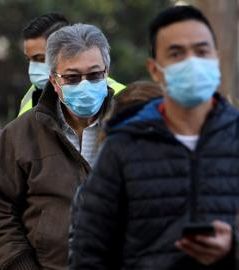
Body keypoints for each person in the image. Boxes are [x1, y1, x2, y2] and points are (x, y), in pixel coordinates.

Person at [69, 5, 239, 269]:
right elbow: (89, 250)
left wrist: (233, 247)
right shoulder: (122, 146)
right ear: (156, 69)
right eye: (176, 53)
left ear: (216, 58)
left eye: (201, 51)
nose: (191, 62)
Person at [0, 23, 114, 269]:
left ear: (106, 72)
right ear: (54, 81)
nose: (84, 85)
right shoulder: (20, 134)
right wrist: (21, 264)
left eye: (94, 75)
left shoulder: (130, 128)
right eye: (72, 77)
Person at [18, 13, 125, 116]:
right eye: (29, 60)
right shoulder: (30, 98)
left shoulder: (123, 97)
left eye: (41, 58)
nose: (33, 68)